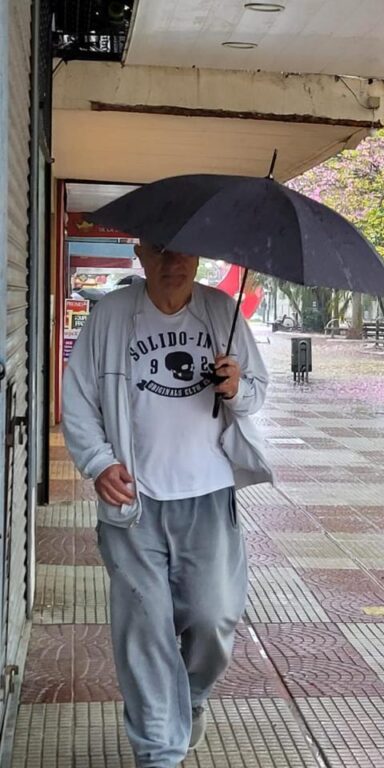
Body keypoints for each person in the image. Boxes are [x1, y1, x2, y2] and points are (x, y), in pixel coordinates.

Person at [62, 242, 273, 768]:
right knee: (146, 631)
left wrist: (236, 388)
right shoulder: (111, 315)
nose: (172, 262)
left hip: (208, 496)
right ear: (140, 252)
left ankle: (190, 695)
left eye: (184, 252)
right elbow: (78, 397)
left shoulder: (220, 312)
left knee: (213, 617)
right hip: (135, 503)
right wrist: (98, 462)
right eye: (159, 250)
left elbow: (257, 391)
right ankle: (158, 751)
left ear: (198, 257)